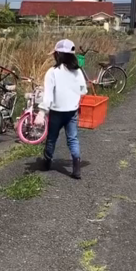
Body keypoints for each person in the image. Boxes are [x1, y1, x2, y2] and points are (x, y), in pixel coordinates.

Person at [35, 39, 87, 179]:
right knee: (73, 139)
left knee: (52, 138)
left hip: (56, 112)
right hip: (72, 111)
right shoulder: (77, 71)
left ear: (57, 54)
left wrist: (41, 112)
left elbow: (48, 96)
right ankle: (76, 169)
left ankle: (47, 162)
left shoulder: (52, 72)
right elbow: (83, 90)